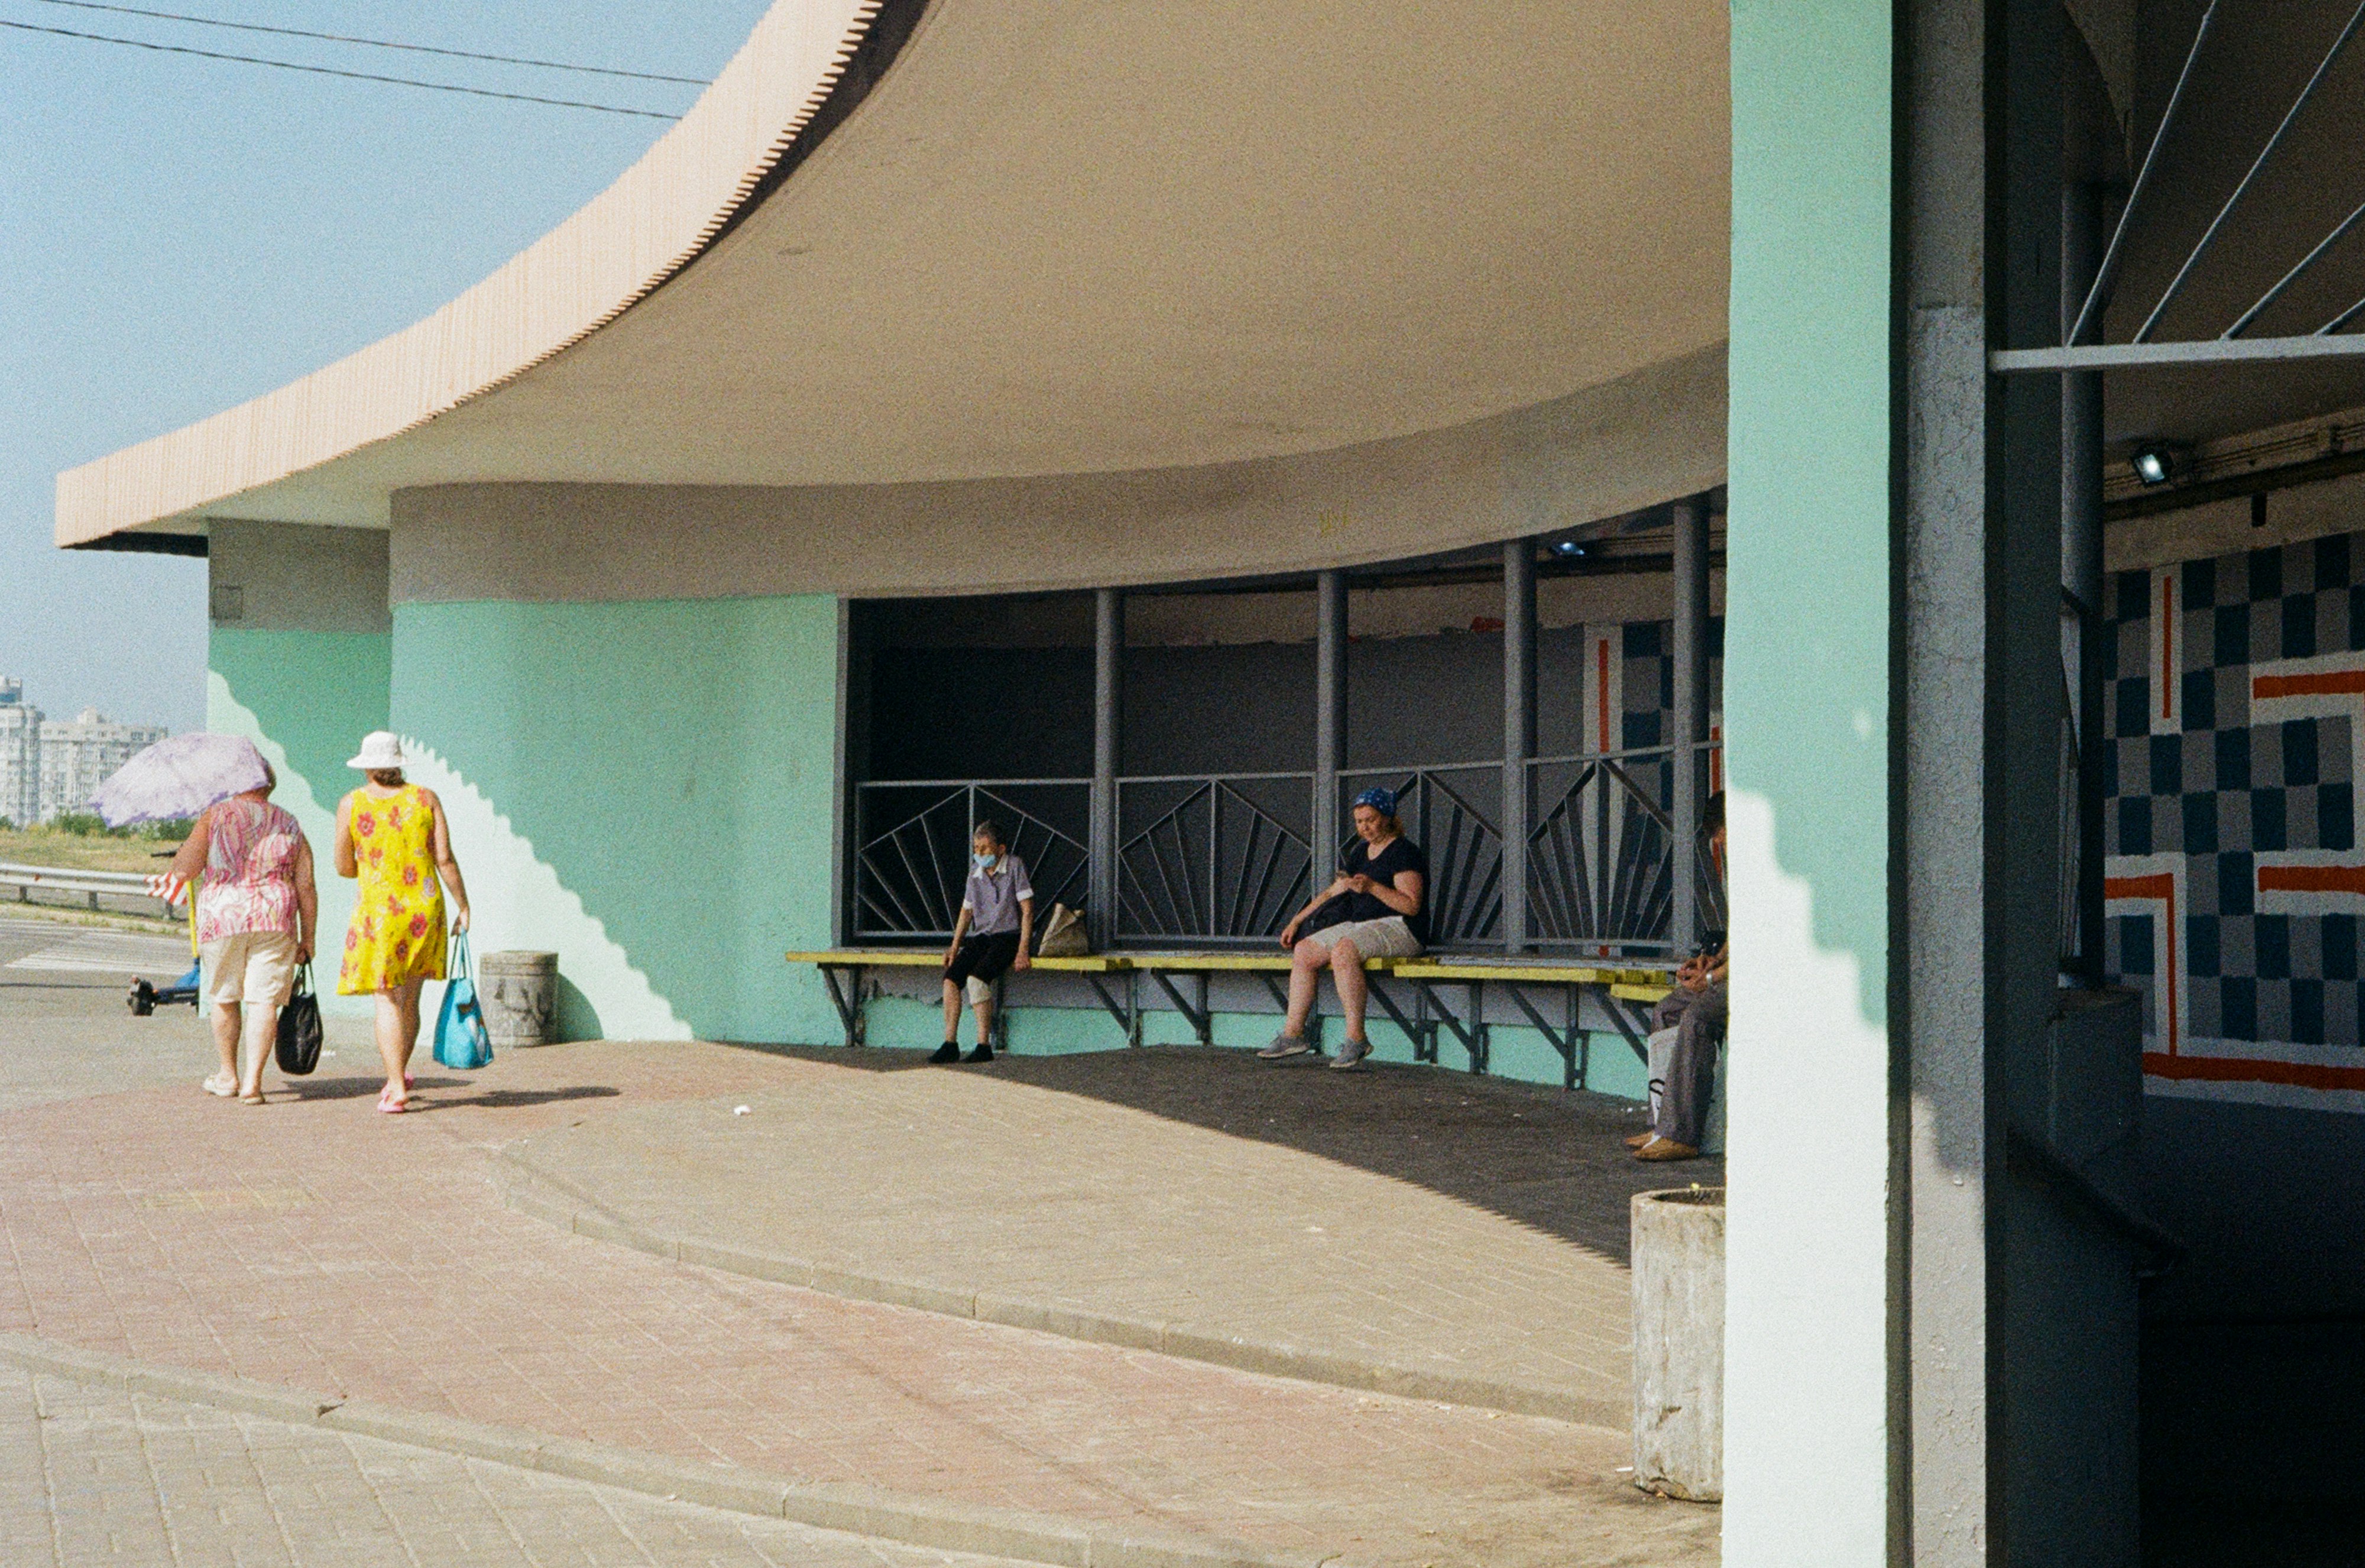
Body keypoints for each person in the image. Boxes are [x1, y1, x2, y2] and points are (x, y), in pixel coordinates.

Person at [334, 732, 471, 1113]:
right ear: (398, 763)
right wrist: (464, 905)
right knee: (410, 998)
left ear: (365, 767)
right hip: (424, 908)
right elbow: (444, 858)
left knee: (386, 1001)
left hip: (379, 912)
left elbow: (344, 866)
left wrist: (375, 863)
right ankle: (401, 1072)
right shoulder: (426, 798)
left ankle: (396, 1086)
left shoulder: (352, 804)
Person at [169, 764, 317, 1104]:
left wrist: (187, 850)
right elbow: (306, 885)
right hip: (274, 918)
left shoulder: (215, 816)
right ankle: (253, 1083)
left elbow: (184, 871)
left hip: (224, 917)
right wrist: (309, 937)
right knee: (264, 1000)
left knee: (224, 995)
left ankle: (228, 1074)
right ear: (270, 784)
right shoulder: (289, 822)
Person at [1261, 786, 1428, 1070]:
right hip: (1362, 925)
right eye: (1360, 821)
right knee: (1304, 950)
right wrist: (1297, 921)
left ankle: (1356, 1038)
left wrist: (1373, 887)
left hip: (1401, 928)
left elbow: (1411, 906)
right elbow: (1334, 891)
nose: (1365, 827)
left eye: (1371, 820)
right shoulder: (1360, 852)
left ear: (1387, 817)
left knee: (1343, 950)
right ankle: (1293, 1034)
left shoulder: (1404, 852)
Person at [1634, 790, 1727, 1161]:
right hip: (1730, 973)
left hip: (1761, 980)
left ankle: (1682, 1135)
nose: (1719, 844)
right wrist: (1710, 961)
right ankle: (1662, 1123)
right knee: (1668, 1009)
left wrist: (1712, 979)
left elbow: (1761, 945)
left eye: (1721, 835)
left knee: (1698, 1018)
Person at [935, 820, 1032, 1064]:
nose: (979, 854)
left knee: (976, 981)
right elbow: (966, 912)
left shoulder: (1014, 866)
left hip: (1007, 937)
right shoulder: (974, 872)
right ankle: (950, 1044)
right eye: (976, 848)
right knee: (950, 980)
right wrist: (954, 948)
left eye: (985, 849)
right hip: (981, 938)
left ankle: (983, 1045)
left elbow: (1027, 910)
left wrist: (1023, 950)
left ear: (1001, 849)